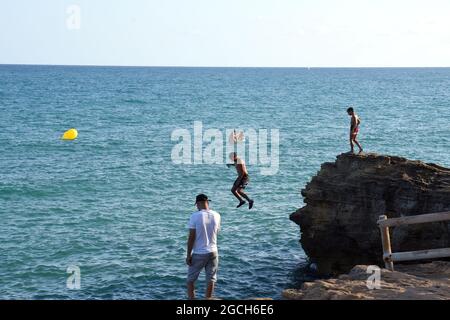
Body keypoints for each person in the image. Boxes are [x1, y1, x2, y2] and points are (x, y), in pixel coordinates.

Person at [186, 194, 221, 300]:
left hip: (200, 253)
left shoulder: (195, 216)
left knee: (190, 280)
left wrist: (188, 255)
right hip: (213, 251)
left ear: (198, 203)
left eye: (196, 204)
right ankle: (208, 299)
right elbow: (216, 232)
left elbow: (191, 237)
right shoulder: (217, 215)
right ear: (207, 202)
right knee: (211, 279)